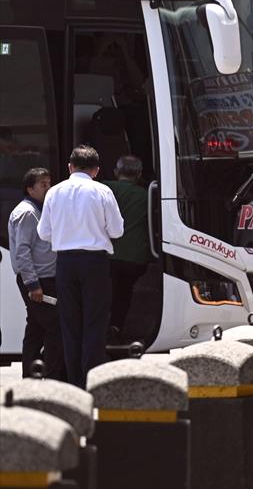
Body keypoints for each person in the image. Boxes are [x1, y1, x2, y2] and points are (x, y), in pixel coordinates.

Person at [37, 146, 124, 387]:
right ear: (96, 170)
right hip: (95, 263)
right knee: (95, 323)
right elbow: (117, 230)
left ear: (70, 167)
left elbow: (44, 233)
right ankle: (91, 381)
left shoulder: (54, 192)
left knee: (70, 324)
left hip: (65, 262)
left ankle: (74, 383)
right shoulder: (103, 191)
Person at [7, 168, 64, 380]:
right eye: (43, 185)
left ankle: (31, 374)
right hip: (39, 280)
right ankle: (50, 375)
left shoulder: (39, 209)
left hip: (44, 278)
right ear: (30, 189)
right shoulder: (27, 213)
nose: (48, 188)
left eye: (49, 183)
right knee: (53, 326)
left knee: (36, 327)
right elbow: (22, 251)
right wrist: (33, 284)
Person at [102, 155, 151, 338]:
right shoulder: (146, 195)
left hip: (107, 255)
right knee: (124, 290)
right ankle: (116, 325)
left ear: (116, 172)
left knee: (107, 291)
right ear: (139, 175)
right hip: (135, 258)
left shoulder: (105, 189)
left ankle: (104, 325)